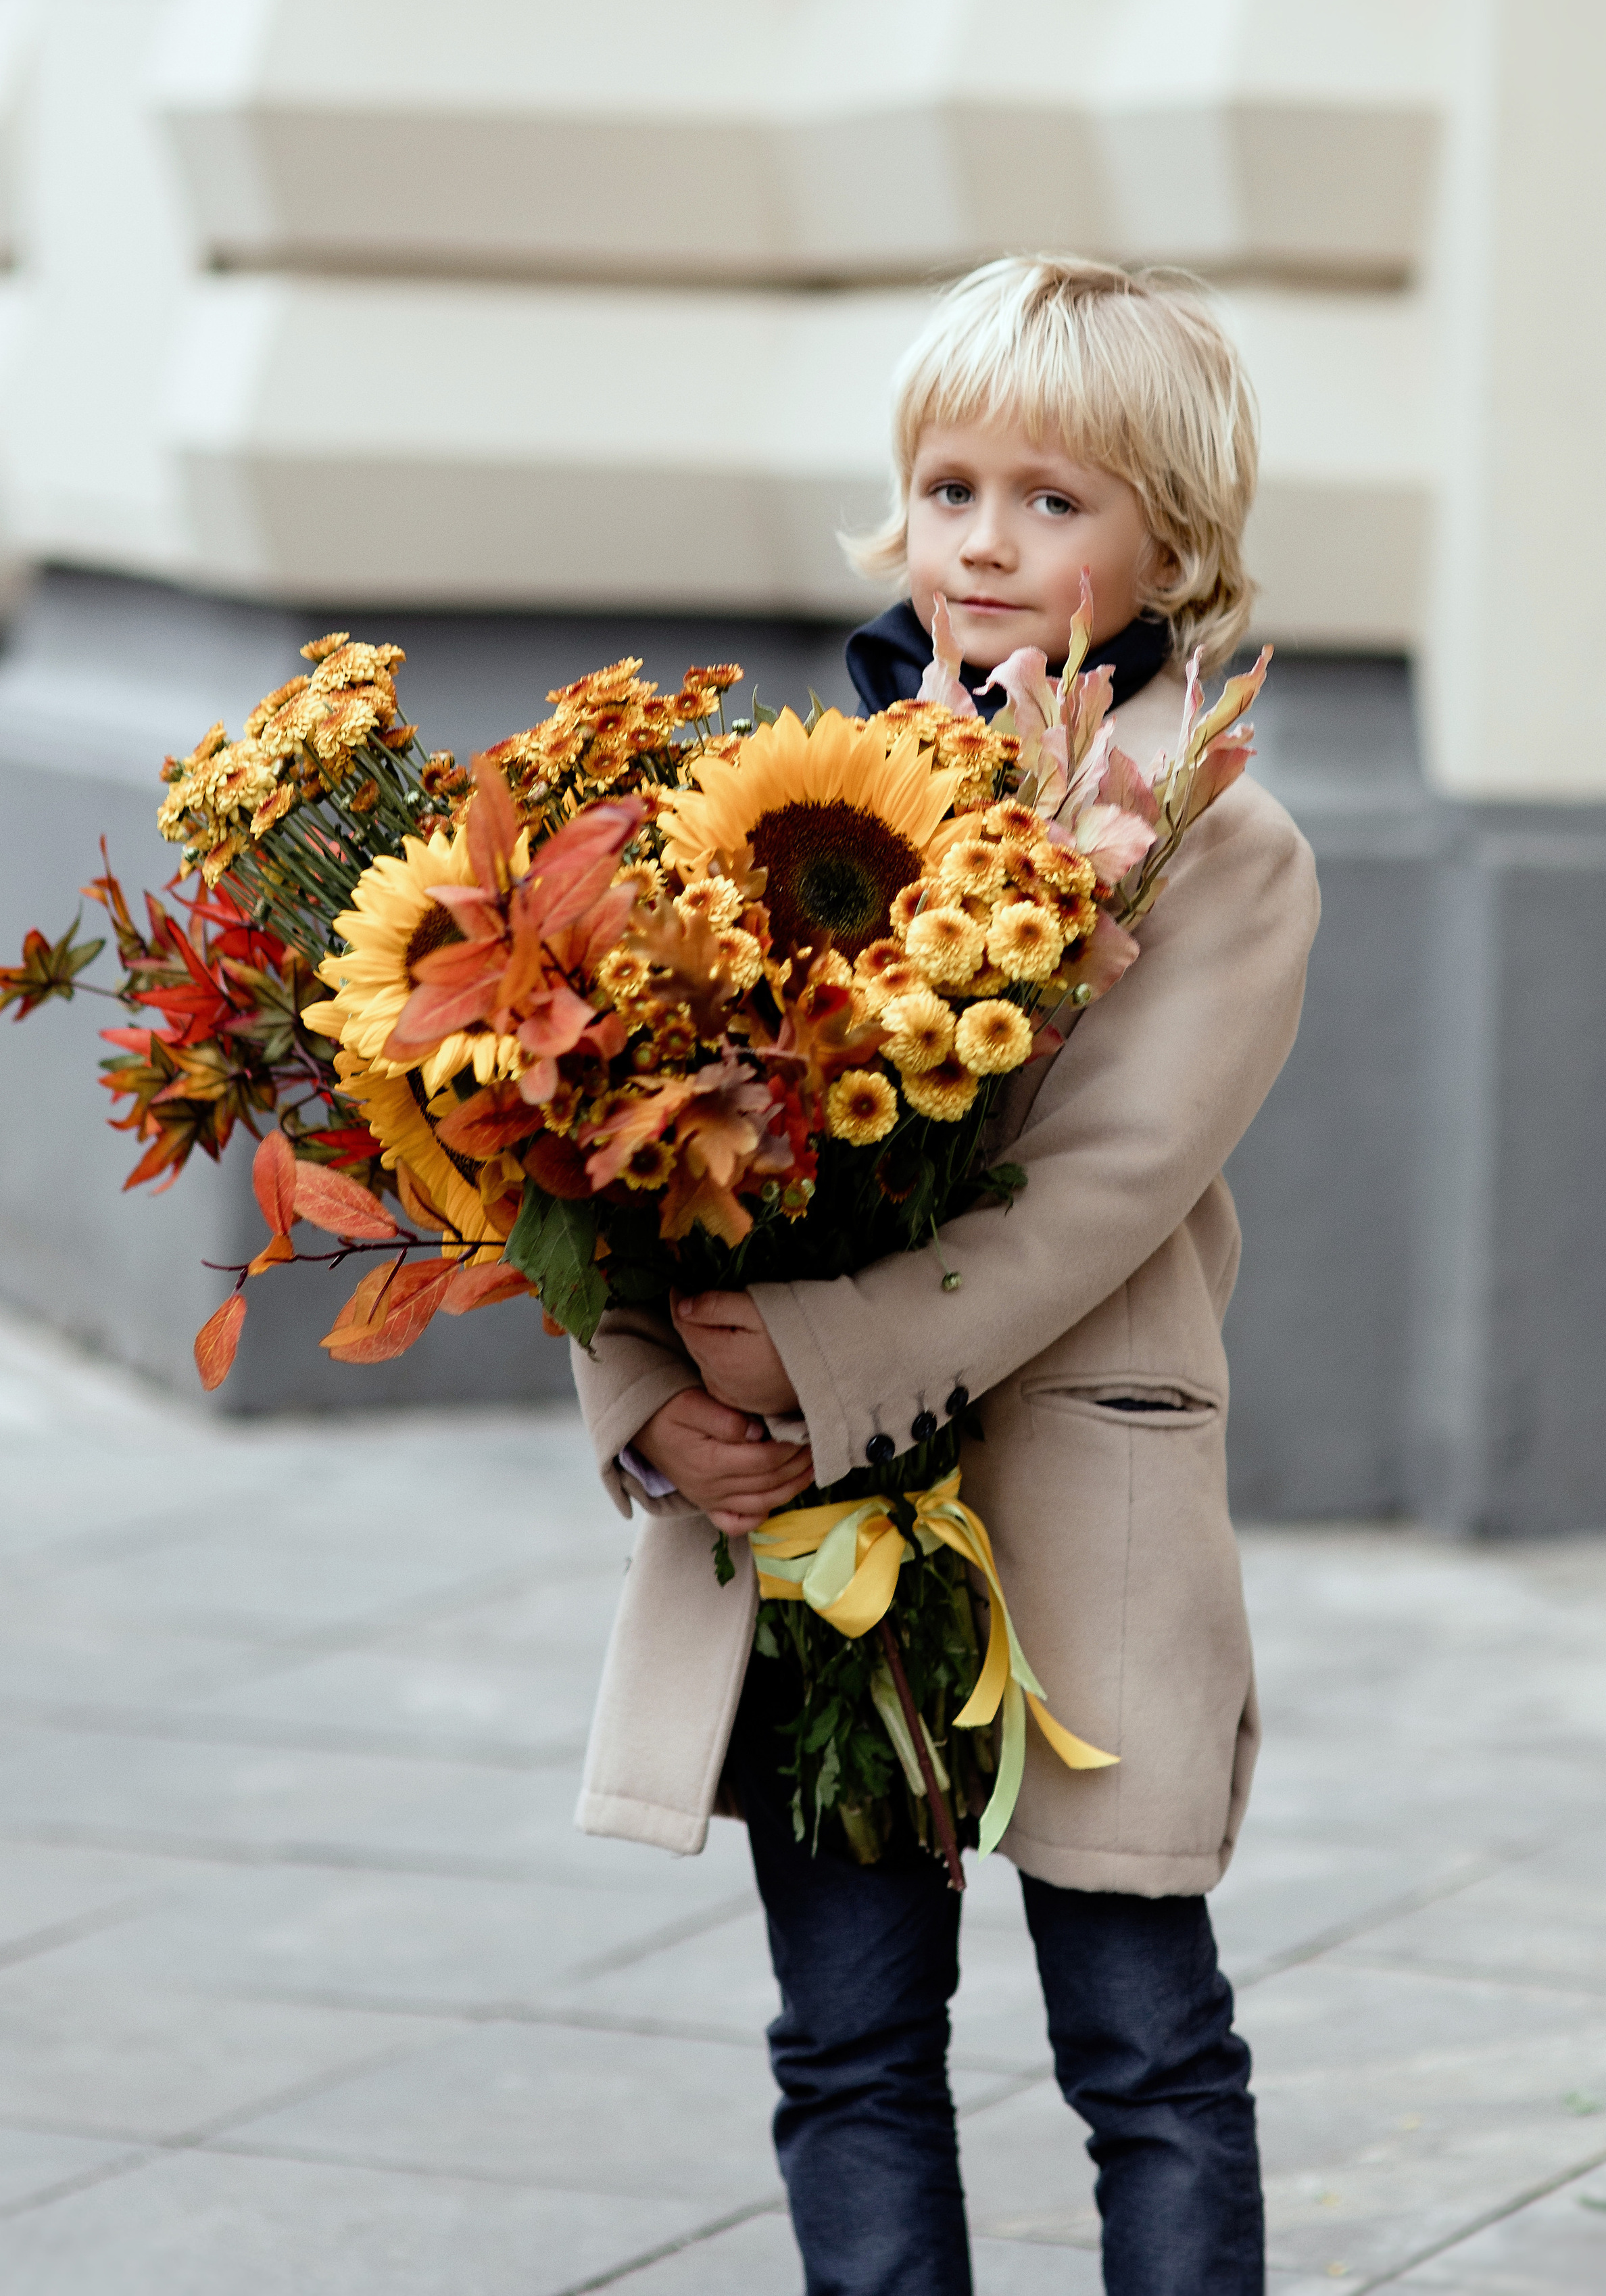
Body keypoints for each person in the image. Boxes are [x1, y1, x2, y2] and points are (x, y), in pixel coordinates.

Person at [570, 255, 1320, 2296]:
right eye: (950, 484)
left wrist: (808, 1353)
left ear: (1174, 532)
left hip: (1068, 1489)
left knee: (1144, 2042)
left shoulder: (1214, 837)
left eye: (1056, 499)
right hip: (808, 1513)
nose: (986, 541)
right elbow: (616, 1131)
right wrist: (656, 1399)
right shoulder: (782, 791)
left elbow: (1100, 1185)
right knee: (850, 2044)